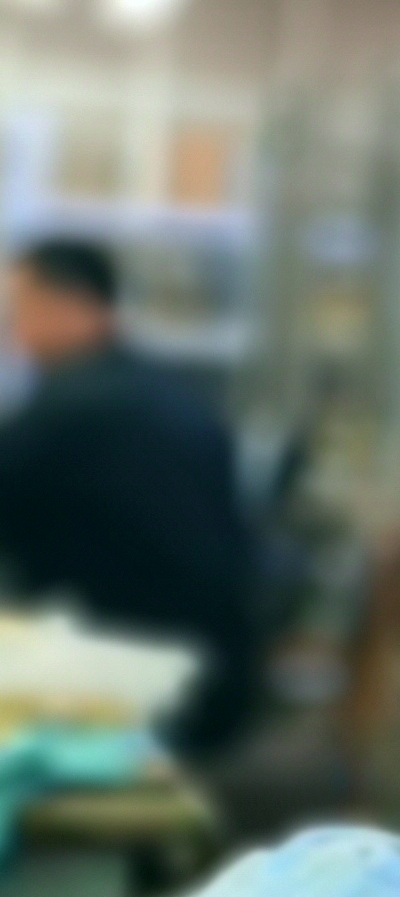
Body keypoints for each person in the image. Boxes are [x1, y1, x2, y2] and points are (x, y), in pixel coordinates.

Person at [0, 236, 262, 756]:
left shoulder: (79, 409)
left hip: (154, 680)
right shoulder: (145, 387)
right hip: (206, 663)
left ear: (72, 305)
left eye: (20, 307)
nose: (12, 327)